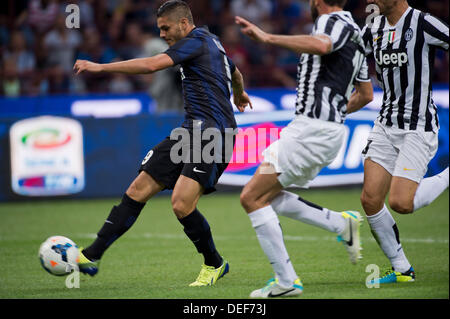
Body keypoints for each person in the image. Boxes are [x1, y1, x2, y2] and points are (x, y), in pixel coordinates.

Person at [73, 0, 252, 287]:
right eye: (159, 29)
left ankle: (214, 264)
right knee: (137, 188)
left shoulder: (195, 41)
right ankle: (91, 255)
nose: (161, 34)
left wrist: (101, 67)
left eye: (165, 28)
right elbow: (236, 73)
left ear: (184, 23)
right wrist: (240, 94)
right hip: (190, 130)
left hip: (213, 133)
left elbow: (152, 65)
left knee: (181, 204)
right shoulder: (212, 41)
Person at [236, 0, 374, 298]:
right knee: (267, 196)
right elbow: (365, 94)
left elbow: (322, 46)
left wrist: (267, 37)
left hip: (312, 128)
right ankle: (340, 223)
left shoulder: (330, 22)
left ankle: (286, 281)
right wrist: (334, 116)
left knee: (251, 197)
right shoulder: (358, 35)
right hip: (324, 130)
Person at [360, 0, 449, 284]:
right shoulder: (373, 26)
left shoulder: (423, 23)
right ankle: (401, 269)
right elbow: (351, 53)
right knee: (370, 199)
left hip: (417, 126)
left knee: (400, 202)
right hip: (385, 123)